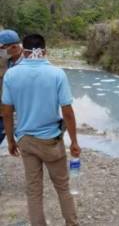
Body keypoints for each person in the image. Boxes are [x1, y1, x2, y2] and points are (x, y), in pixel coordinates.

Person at [2, 34, 81, 226]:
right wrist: (74, 141)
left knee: (34, 190)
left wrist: (11, 140)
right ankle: (71, 223)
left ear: (23, 50)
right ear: (45, 50)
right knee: (62, 187)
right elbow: (67, 112)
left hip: (26, 140)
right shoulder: (57, 73)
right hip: (51, 141)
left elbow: (6, 111)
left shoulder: (11, 75)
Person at [0, 29, 23, 144]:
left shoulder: (28, 62)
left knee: (26, 143)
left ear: (14, 47)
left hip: (21, 113)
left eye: (1, 48)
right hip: (4, 110)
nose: (0, 51)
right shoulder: (5, 60)